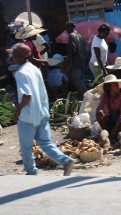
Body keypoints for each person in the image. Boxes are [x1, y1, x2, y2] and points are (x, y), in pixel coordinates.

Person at [12, 43, 75, 176]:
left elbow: (26, 95)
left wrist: (17, 111)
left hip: (27, 117)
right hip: (42, 112)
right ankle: (65, 160)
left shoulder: (20, 73)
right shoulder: (34, 69)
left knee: (26, 147)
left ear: (20, 56)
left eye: (14, 55)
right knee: (45, 143)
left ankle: (31, 172)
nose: (12, 57)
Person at [95, 74, 121, 140]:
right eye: (114, 84)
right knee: (98, 115)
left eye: (117, 84)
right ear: (109, 87)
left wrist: (115, 130)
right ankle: (107, 133)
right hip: (109, 121)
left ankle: (116, 134)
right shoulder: (105, 96)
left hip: (119, 122)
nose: (117, 86)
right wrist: (100, 111)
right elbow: (99, 108)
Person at [64, 21, 87, 100]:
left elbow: (72, 49)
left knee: (77, 81)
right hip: (82, 61)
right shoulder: (80, 36)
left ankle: (87, 95)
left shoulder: (71, 35)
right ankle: (80, 100)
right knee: (80, 80)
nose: (66, 30)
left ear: (70, 27)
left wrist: (67, 59)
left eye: (66, 28)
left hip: (76, 62)